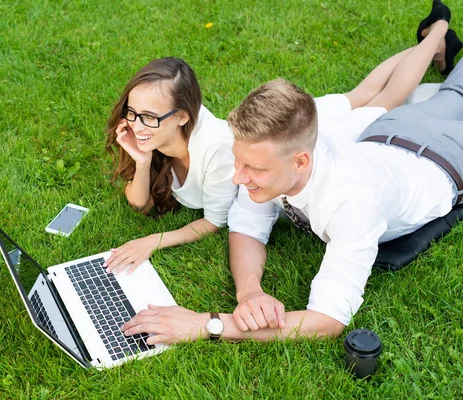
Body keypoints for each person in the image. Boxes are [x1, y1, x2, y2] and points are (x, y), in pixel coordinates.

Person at [121, 15, 463, 344]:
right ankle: (439, 38)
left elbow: (327, 320)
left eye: (253, 169)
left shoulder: (353, 205)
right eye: (238, 162)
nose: (238, 177)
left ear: (300, 161)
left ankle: (439, 32)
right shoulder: (274, 159)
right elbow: (245, 227)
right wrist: (250, 291)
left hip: (445, 157)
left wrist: (207, 324)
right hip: (386, 133)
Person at [103, 58, 237, 274]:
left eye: (149, 117)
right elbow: (138, 203)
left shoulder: (217, 149)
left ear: (182, 117)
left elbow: (214, 221)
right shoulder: (155, 136)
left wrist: (152, 241)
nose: (136, 126)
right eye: (132, 112)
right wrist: (142, 162)